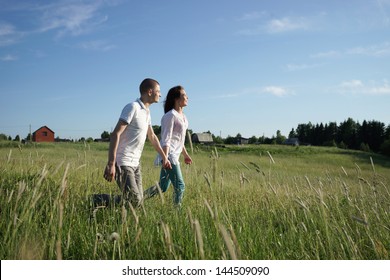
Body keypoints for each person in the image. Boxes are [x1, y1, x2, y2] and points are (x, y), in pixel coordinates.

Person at [102, 78, 171, 208]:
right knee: (135, 200)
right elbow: (115, 134)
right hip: (123, 162)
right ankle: (96, 200)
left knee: (138, 202)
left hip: (136, 164)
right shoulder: (132, 107)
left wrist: (164, 157)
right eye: (158, 91)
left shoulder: (147, 112)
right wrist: (111, 163)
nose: (160, 94)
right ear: (150, 92)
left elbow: (152, 137)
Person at [144, 85, 192, 207]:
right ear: (176, 99)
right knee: (180, 186)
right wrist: (165, 158)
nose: (187, 97)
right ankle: (177, 214)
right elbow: (166, 139)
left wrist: (185, 155)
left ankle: (136, 199)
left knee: (162, 187)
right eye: (184, 95)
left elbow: (179, 140)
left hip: (173, 155)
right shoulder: (170, 115)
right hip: (169, 156)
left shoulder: (184, 118)